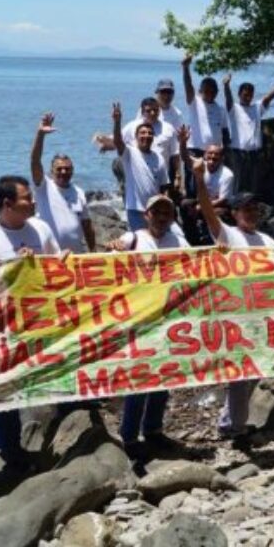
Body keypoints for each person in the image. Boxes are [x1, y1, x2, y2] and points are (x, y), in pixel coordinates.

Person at [0, 175, 60, 473]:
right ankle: (10, 451)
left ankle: (58, 432)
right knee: (5, 392)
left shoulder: (41, 228)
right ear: (7, 204)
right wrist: (15, 269)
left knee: (52, 376)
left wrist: (47, 265)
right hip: (3, 331)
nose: (33, 202)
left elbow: (59, 268)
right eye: (26, 198)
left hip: (40, 323)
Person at [192, 158, 274, 441]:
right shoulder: (227, 235)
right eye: (245, 209)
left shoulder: (267, 240)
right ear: (234, 213)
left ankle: (230, 420)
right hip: (235, 314)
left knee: (255, 371)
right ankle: (234, 426)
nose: (251, 214)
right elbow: (206, 210)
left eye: (254, 209)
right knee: (241, 372)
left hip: (260, 314)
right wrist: (199, 177)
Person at [106, 194, 190, 461]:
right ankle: (129, 436)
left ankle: (153, 429)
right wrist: (114, 249)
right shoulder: (133, 240)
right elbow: (105, 265)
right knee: (139, 378)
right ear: (147, 215)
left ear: (172, 217)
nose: (162, 216)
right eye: (157, 212)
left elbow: (200, 265)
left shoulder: (179, 242)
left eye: (167, 212)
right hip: (138, 321)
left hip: (167, 319)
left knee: (164, 376)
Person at [30, 112, 95, 253]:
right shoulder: (44, 187)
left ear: (73, 170)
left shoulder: (79, 192)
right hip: (50, 257)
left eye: (67, 169)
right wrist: (40, 135)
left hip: (75, 256)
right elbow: (35, 161)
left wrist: (93, 251)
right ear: (51, 171)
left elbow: (87, 225)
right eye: (59, 169)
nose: (64, 172)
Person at [112, 102, 171, 231]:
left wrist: (166, 205)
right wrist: (117, 122)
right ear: (136, 137)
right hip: (135, 209)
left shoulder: (158, 157)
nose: (146, 136)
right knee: (140, 244)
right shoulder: (129, 153)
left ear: (153, 137)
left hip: (155, 210)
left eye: (150, 133)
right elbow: (117, 141)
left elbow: (164, 185)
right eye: (142, 133)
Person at [223, 73, 274, 194]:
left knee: (254, 184)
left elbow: (268, 98)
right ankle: (236, 209)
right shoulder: (234, 109)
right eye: (245, 94)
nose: (247, 97)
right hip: (238, 153)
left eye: (250, 95)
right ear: (239, 94)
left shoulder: (256, 108)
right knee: (238, 182)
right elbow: (228, 99)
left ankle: (251, 208)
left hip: (255, 154)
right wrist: (226, 86)